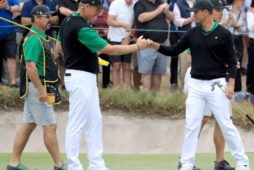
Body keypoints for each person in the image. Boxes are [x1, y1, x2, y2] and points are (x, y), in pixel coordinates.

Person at [149, 0, 249, 169]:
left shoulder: (224, 33)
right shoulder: (192, 33)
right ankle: (186, 164)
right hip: (196, 85)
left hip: (217, 84)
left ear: (206, 12)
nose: (193, 15)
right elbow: (173, 50)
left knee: (225, 124)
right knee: (191, 125)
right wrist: (154, 45)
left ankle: (243, 163)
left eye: (196, 12)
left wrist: (231, 85)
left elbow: (232, 61)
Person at [55, 0, 149, 169]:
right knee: (76, 122)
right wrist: (137, 47)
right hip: (80, 77)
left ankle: (96, 164)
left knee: (94, 120)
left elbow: (58, 49)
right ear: (84, 7)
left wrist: (82, 53)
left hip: (84, 77)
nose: (99, 13)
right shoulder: (81, 27)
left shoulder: (67, 21)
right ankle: (73, 165)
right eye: (96, 9)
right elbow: (109, 49)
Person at [6, 5, 66, 170]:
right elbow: (30, 67)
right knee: (50, 125)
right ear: (37, 18)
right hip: (38, 87)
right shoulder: (34, 39)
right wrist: (40, 90)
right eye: (47, 17)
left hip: (38, 86)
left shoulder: (42, 37)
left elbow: (46, 59)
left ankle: (14, 163)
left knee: (29, 125)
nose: (50, 19)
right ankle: (60, 164)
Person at [134, 0, 174, 92]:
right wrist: (159, 10)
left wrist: (166, 11)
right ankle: (146, 97)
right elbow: (141, 18)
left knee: (158, 73)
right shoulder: (140, 4)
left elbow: (172, 18)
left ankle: (155, 98)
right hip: (146, 44)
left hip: (161, 44)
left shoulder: (160, 3)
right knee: (146, 73)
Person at [107, 0, 136, 88]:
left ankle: (127, 90)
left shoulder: (136, 4)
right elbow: (109, 21)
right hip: (114, 38)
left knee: (127, 66)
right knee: (116, 65)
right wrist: (122, 24)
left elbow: (136, 24)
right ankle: (117, 89)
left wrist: (129, 38)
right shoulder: (116, 3)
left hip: (127, 39)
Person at [0, 0, 21, 87]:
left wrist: (8, 7)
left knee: (11, 56)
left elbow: (19, 8)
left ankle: (13, 82)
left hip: (9, 32)